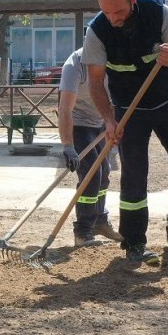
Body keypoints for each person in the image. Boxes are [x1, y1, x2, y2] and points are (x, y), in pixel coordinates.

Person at [83, 0, 168, 264]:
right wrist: (109, 119)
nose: (113, 18)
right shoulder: (97, 31)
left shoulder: (159, 12)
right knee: (134, 176)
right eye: (107, 12)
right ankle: (134, 242)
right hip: (128, 110)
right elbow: (95, 81)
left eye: (119, 11)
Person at [57, 46, 124, 247]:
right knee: (91, 175)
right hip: (77, 122)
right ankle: (83, 231)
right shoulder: (74, 65)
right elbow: (65, 109)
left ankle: (99, 222)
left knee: (104, 173)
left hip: (102, 122)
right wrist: (68, 146)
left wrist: (113, 122)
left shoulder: (115, 59)